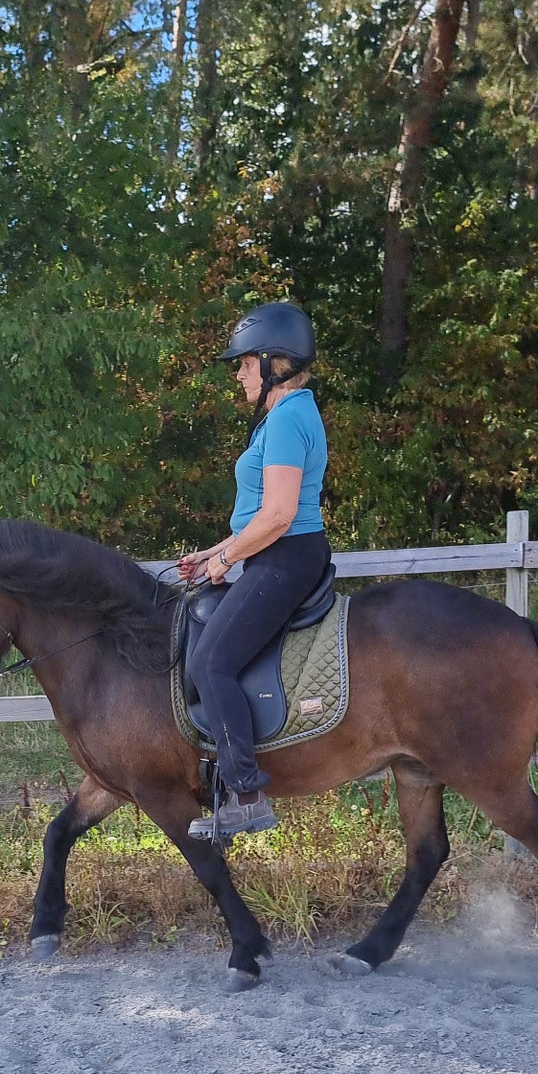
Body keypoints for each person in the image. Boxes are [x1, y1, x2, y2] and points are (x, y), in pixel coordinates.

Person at [178, 301, 332, 838]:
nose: (239, 374)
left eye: (245, 363)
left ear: (275, 363)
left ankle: (245, 794)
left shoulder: (289, 417)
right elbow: (258, 516)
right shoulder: (285, 415)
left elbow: (279, 514)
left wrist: (227, 558)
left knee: (209, 665)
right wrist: (212, 553)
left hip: (285, 557)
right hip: (276, 551)